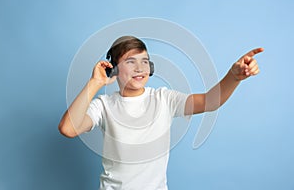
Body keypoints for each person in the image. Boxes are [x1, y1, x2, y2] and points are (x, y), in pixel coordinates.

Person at [58, 36, 263, 190]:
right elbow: (68, 128)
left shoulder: (164, 98)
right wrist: (95, 83)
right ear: (113, 69)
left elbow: (209, 102)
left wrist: (233, 77)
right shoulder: (103, 105)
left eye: (144, 61)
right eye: (130, 61)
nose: (139, 67)